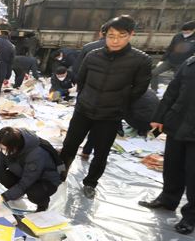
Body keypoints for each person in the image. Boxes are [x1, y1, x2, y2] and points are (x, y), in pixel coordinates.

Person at [59, 15, 152, 199]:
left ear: (131, 35)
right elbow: (81, 80)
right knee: (69, 145)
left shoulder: (141, 60)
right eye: (111, 36)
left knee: (101, 152)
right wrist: (84, 100)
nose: (115, 40)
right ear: (104, 35)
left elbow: (139, 89)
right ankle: (60, 175)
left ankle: (90, 183)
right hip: (84, 110)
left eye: (121, 35)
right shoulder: (93, 56)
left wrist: (119, 105)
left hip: (110, 115)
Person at [138, 55, 195, 234]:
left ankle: (191, 216)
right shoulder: (190, 63)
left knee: (193, 174)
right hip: (178, 123)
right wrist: (159, 117)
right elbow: (172, 91)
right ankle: (168, 199)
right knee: (172, 166)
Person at [0, 127, 63, 211]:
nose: (2, 151)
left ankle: (43, 205)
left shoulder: (36, 154)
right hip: (25, 172)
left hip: (45, 180)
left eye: (3, 148)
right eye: (0, 148)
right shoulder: (9, 145)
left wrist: (2, 198)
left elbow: (25, 183)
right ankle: (16, 194)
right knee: (4, 176)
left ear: (15, 146)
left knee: (35, 193)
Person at [150, 20, 195, 91]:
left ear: (193, 30)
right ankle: (154, 90)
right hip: (170, 60)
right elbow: (170, 48)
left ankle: (173, 95)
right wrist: (162, 60)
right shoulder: (178, 36)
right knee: (153, 73)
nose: (185, 33)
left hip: (182, 64)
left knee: (176, 81)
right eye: (183, 31)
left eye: (187, 32)